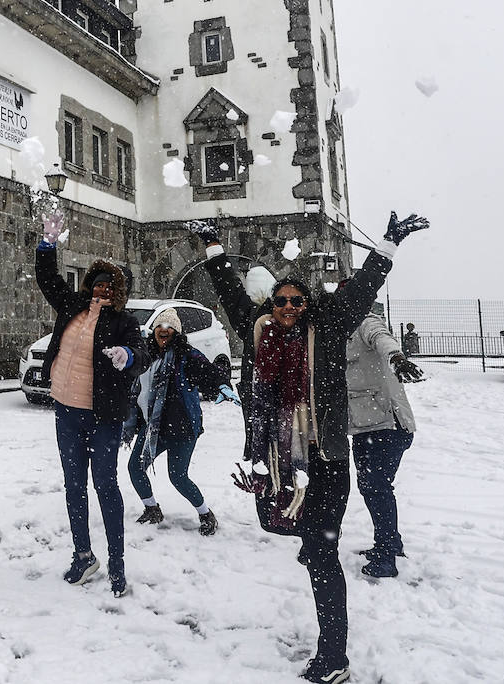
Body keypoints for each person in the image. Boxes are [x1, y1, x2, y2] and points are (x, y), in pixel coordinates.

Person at [195, 211, 428, 684]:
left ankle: (334, 656)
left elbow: (363, 289)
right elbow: (229, 293)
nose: (288, 306)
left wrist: (387, 245)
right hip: (278, 462)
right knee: (292, 533)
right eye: (280, 299)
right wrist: (214, 250)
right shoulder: (258, 331)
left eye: (297, 299)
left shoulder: (329, 328)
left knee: (323, 555)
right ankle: (316, 548)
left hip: (324, 459)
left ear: (309, 302)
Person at [35, 213, 146, 597]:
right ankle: (84, 554)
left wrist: (127, 356)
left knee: (105, 485)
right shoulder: (72, 307)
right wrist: (47, 245)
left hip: (103, 417)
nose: (102, 291)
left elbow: (142, 352)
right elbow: (48, 279)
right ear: (89, 286)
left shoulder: (124, 321)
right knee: (74, 485)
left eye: (109, 287)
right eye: (97, 285)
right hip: (67, 411)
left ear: (118, 293)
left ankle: (117, 560)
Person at [124, 307, 229, 535]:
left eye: (170, 327)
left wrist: (222, 383)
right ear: (154, 331)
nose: (164, 330)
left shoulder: (187, 356)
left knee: (178, 477)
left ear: (176, 332)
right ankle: (152, 509)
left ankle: (205, 514)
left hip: (182, 428)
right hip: (154, 427)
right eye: (160, 326)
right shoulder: (147, 356)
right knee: (135, 467)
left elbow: (211, 373)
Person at [346, 306, 424, 579]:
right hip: (365, 426)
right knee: (374, 489)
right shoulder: (338, 329)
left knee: (376, 489)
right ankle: (391, 543)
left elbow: (382, 337)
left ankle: (386, 557)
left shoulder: (365, 323)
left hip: (387, 426)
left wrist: (396, 358)